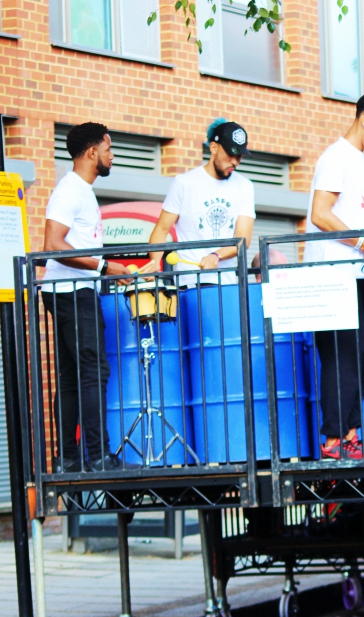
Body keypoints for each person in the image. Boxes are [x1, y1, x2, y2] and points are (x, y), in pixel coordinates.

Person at [304, 91, 364, 460]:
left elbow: (363, 217)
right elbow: (321, 213)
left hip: (355, 269)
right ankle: (334, 440)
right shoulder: (335, 157)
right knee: (343, 356)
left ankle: (348, 434)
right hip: (332, 272)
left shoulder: (361, 162)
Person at [42, 122, 132, 472]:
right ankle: (97, 456)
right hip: (72, 292)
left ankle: (67, 458)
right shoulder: (71, 190)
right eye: (109, 150)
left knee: (72, 376)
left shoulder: (82, 190)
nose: (112, 157)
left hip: (69, 291)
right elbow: (53, 245)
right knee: (94, 372)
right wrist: (104, 267)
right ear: (93, 152)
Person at [147, 119, 256, 285]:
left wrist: (216, 255)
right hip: (188, 282)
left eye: (239, 156)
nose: (235, 161)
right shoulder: (184, 182)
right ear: (213, 148)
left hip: (225, 283)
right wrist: (155, 262)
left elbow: (243, 240)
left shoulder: (244, 187)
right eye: (230, 154)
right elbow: (162, 229)